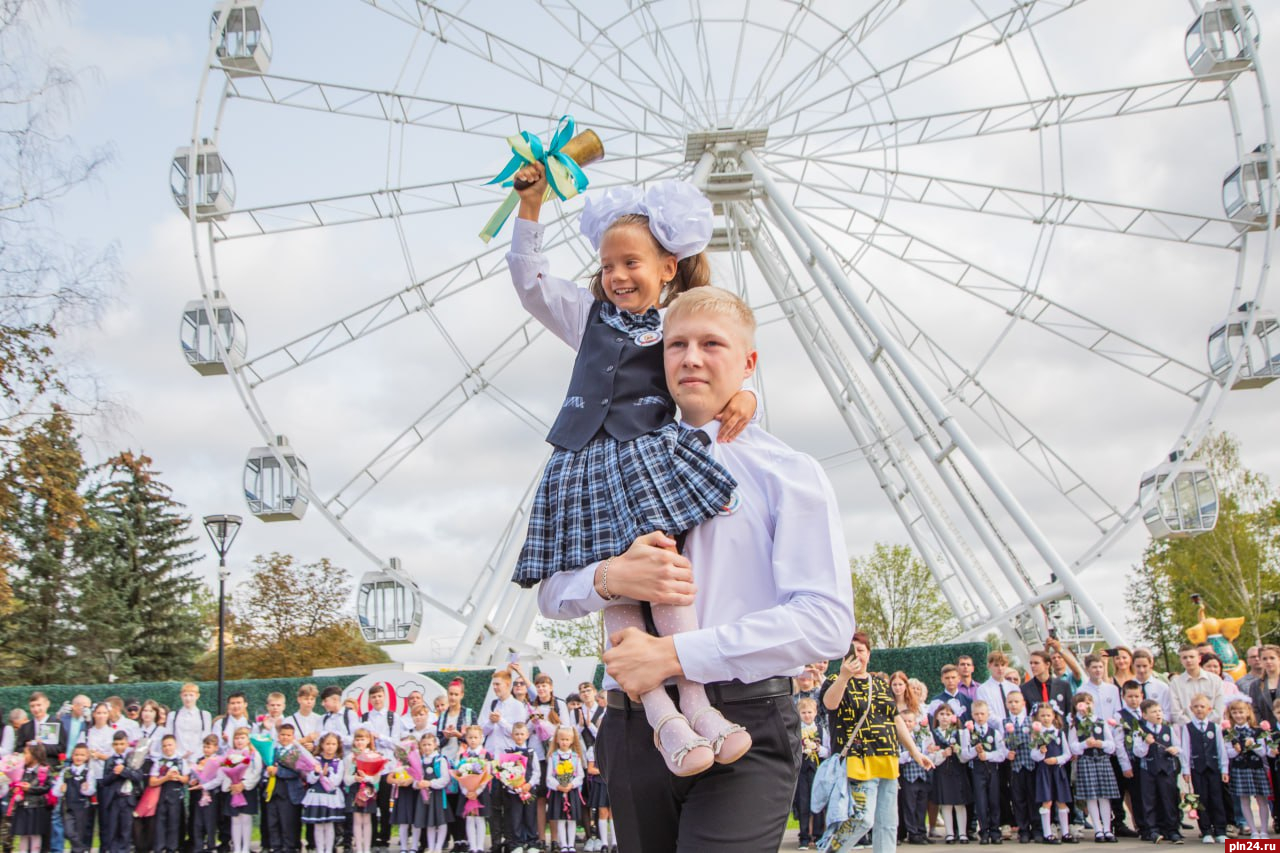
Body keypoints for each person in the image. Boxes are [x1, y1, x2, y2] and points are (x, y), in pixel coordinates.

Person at [538, 285, 854, 852]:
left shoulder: (786, 472)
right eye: (676, 344)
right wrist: (610, 579)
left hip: (747, 721)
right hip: (637, 725)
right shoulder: (606, 461)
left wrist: (675, 654)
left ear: (748, 362)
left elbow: (826, 620)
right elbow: (551, 593)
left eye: (712, 344)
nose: (691, 358)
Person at [508, 169, 760, 779]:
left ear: (668, 267)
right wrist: (532, 207)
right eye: (608, 265)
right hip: (585, 460)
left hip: (646, 454)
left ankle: (694, 701)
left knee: (665, 572)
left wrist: (741, 394)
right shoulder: (587, 315)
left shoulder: (676, 323)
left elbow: (706, 360)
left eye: (631, 263)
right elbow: (531, 281)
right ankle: (662, 716)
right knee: (617, 585)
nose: (617, 276)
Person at [821, 636, 935, 853]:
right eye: (852, 650)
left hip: (887, 758)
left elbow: (895, 719)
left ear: (869, 654)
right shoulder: (835, 680)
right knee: (862, 819)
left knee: (888, 822)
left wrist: (915, 752)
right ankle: (831, 849)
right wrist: (844, 677)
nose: (858, 655)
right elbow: (829, 704)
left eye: (862, 650)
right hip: (857, 759)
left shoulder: (880, 684)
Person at [1066, 692, 1120, 844]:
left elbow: (1111, 745)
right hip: (1086, 761)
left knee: (1104, 796)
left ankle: (1107, 829)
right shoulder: (1075, 724)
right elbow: (1073, 746)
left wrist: (1100, 744)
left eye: (1089, 702)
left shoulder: (1100, 722)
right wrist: (1084, 745)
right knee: (1091, 796)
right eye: (1082, 703)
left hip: (1102, 760)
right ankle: (1098, 829)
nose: (1086, 705)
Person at [1179, 694, 1229, 843]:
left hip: (1213, 768)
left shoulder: (1215, 727)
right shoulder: (1187, 728)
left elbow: (1221, 749)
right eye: (1196, 707)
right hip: (1198, 768)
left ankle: (1220, 830)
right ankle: (1206, 830)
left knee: (1217, 798)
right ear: (1191, 709)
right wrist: (1186, 770)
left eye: (1202, 707)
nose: (1199, 710)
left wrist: (1224, 769)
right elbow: (1185, 749)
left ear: (1209, 709)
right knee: (1201, 799)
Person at [1132, 699, 1181, 843]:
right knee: (1149, 801)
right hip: (1149, 769)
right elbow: (1138, 752)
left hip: (1166, 769)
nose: (1158, 714)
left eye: (1159, 711)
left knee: (1169, 799)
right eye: (1154, 712)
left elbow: (1179, 746)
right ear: (1145, 715)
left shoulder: (1168, 729)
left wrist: (1175, 749)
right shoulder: (1140, 731)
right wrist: (1146, 743)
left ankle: (1172, 830)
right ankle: (1152, 830)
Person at [359, 684, 399, 851]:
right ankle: (373, 836)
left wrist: (380, 737)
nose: (377, 699)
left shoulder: (392, 717)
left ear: (384, 697)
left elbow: (397, 742)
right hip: (369, 769)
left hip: (386, 767)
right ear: (370, 700)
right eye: (374, 697)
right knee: (371, 803)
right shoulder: (365, 718)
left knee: (384, 803)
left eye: (379, 696)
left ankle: (385, 836)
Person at [1224, 699, 1272, 839]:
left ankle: (1263, 830)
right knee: (1244, 800)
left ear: (1247, 713)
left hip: (1256, 768)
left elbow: (1263, 752)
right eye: (1234, 712)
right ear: (1231, 715)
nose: (1238, 715)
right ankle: (1253, 831)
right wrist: (1238, 749)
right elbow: (1230, 753)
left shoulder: (1257, 731)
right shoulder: (1229, 733)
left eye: (1241, 712)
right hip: (1240, 769)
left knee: (1262, 799)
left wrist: (1253, 745)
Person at [1029, 703, 1074, 845]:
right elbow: (1033, 755)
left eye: (1048, 715)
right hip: (1044, 771)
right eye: (1042, 715)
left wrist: (1057, 759)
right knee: (1047, 801)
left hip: (1057, 770)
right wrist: (1040, 753)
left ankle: (1065, 833)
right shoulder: (1036, 735)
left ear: (1054, 716)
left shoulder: (1059, 733)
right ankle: (1047, 833)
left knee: (1061, 801)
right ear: (1037, 717)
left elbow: (1067, 754)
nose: (1046, 718)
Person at [927, 703, 972, 844]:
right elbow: (931, 757)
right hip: (942, 772)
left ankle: (963, 833)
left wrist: (958, 751)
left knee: (960, 803)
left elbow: (966, 756)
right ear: (937, 717)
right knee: (946, 804)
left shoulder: (960, 733)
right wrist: (943, 754)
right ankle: (950, 833)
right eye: (942, 714)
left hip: (958, 771)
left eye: (948, 714)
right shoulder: (932, 734)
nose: (945, 717)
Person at [963, 699, 1006, 845]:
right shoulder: (968, 733)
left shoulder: (995, 733)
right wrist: (975, 751)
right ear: (972, 715)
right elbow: (964, 755)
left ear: (987, 715)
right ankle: (984, 831)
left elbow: (1002, 754)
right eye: (976, 714)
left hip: (992, 770)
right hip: (977, 771)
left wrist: (988, 755)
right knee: (981, 802)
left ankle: (995, 831)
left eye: (982, 714)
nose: (980, 717)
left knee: (994, 800)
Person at [793, 697, 829, 851]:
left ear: (815, 713)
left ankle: (819, 835)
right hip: (802, 771)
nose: (807, 715)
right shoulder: (796, 731)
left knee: (818, 802)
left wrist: (818, 749)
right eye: (803, 713)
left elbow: (829, 751)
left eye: (809, 712)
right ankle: (804, 836)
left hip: (817, 769)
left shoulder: (821, 730)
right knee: (803, 802)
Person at [1002, 690, 1038, 843]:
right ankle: (1023, 829)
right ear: (1006, 704)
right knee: (1018, 799)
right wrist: (1006, 753)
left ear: (1023, 703)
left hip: (1031, 765)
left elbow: (1038, 741)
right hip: (1015, 766)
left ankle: (1036, 828)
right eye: (1010, 702)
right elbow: (1001, 743)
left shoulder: (1032, 721)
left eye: (1016, 702)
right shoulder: (1005, 723)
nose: (1013, 705)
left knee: (1033, 797)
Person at [301, 733, 346, 853]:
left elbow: (336, 781)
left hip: (331, 797)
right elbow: (310, 779)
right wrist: (316, 773)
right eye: (327, 744)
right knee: (318, 825)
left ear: (338, 746)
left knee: (329, 825)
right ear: (321, 745)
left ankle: (329, 850)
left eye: (333, 744)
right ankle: (320, 850)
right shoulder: (315, 760)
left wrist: (327, 774)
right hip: (316, 796)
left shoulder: (339, 762)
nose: (330, 747)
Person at [99, 731, 143, 853]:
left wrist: (124, 771)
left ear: (127, 744)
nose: (119, 747)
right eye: (116, 744)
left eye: (122, 743)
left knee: (126, 830)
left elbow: (138, 777)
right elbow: (104, 781)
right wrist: (115, 773)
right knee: (112, 830)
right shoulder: (110, 760)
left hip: (128, 799)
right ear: (113, 745)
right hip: (114, 800)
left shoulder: (133, 759)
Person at [544, 726, 585, 853]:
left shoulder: (575, 756)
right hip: (558, 791)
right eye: (562, 739)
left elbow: (580, 774)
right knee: (560, 818)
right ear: (557, 740)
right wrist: (558, 786)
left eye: (567, 739)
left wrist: (571, 785)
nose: (564, 742)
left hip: (571, 791)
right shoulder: (553, 756)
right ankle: (563, 845)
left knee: (572, 819)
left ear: (572, 740)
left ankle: (571, 844)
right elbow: (549, 776)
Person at [266, 724, 305, 853]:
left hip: (290, 793)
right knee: (273, 822)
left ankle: (290, 847)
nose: (285, 737)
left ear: (293, 737)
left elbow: (297, 772)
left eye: (288, 735)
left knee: (288, 823)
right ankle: (276, 847)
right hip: (273, 792)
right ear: (278, 736)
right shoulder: (272, 751)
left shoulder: (297, 752)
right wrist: (268, 771)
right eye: (283, 734)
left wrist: (278, 771)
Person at [897, 709, 932, 846]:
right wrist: (910, 754)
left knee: (921, 805)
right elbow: (898, 758)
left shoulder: (920, 735)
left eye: (910, 721)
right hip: (908, 776)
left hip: (921, 775)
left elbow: (925, 751)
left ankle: (921, 831)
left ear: (915, 722)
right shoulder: (899, 738)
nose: (907, 724)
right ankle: (912, 833)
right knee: (909, 806)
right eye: (904, 721)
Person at [151, 735, 192, 853]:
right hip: (162, 796)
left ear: (175, 745)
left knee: (174, 824)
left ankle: (172, 848)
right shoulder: (158, 762)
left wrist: (177, 777)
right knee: (160, 824)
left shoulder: (180, 761)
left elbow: (186, 779)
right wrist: (166, 778)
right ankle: (159, 848)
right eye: (164, 746)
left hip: (176, 796)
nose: (167, 748)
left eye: (170, 745)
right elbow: (152, 781)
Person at [12, 743, 53, 853]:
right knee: (23, 834)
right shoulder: (21, 770)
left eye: (26, 753)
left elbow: (47, 787)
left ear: (35, 755)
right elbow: (15, 783)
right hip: (23, 806)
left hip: (37, 807)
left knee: (35, 834)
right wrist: (16, 789)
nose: (23, 756)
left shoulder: (43, 770)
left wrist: (31, 788)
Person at [1169, 644, 1225, 725]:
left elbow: (1219, 709)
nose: (1188, 660)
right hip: (1187, 730)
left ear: (1199, 658)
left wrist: (1205, 725)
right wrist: (1193, 726)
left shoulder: (1215, 680)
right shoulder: (1175, 683)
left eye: (1192, 657)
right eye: (1185, 658)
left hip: (1212, 729)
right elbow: (1176, 712)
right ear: (1181, 661)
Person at [415, 733, 452, 853]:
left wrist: (430, 784)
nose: (426, 747)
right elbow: (415, 778)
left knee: (441, 821)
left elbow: (445, 779)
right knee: (429, 822)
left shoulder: (440, 760)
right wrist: (418, 784)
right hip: (424, 796)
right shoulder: (419, 761)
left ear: (435, 745)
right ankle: (431, 847)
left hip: (438, 795)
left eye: (429, 744)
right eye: (424, 745)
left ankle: (438, 847)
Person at [189, 736, 222, 853]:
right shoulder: (199, 760)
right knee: (197, 821)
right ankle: (198, 846)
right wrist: (193, 780)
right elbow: (194, 774)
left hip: (212, 794)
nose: (206, 749)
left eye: (209, 747)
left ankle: (211, 845)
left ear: (216, 748)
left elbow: (219, 779)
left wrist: (205, 785)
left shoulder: (218, 761)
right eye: (204, 747)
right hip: (199, 793)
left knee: (210, 820)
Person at [1019, 651, 1072, 718]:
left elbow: (1070, 711)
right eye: (1031, 663)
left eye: (1036, 663)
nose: (1032, 666)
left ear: (1047, 664)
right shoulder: (1025, 688)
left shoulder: (1063, 686)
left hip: (1060, 726)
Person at [975, 652, 1019, 725]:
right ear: (989, 666)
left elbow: (1021, 708)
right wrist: (1004, 724)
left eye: (1002, 665)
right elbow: (987, 712)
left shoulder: (1014, 687)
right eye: (996, 665)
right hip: (996, 730)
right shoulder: (983, 689)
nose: (1000, 668)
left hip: (1016, 727)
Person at [1130, 650, 1173, 719]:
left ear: (1151, 664)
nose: (1141, 670)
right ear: (1132, 665)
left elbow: (1167, 712)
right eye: (1138, 666)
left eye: (1144, 666)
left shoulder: (1162, 687)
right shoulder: (1128, 687)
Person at [1247, 644, 1279, 728]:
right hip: (1267, 733)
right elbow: (1254, 709)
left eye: (1272, 658)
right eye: (1264, 659)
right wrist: (1263, 726)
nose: (1268, 661)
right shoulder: (1255, 686)